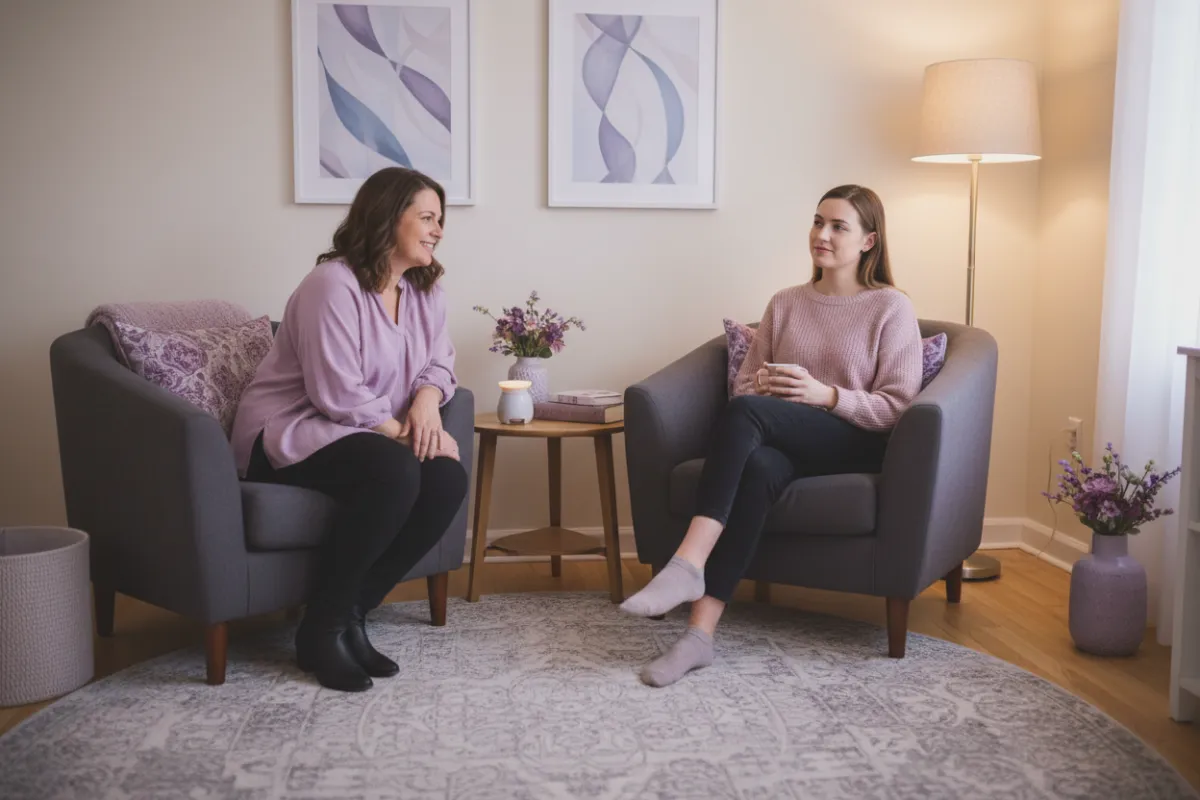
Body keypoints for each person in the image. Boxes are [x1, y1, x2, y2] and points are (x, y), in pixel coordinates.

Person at [620, 184, 923, 687]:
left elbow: (896, 407)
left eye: (838, 226)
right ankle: (699, 635)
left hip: (854, 438)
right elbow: (743, 387)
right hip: (784, 437)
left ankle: (688, 561)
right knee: (757, 463)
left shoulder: (891, 308)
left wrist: (824, 395)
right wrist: (764, 385)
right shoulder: (786, 303)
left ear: (869, 241)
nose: (821, 235)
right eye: (817, 221)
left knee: (747, 417)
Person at [231, 167, 468, 693]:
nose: (438, 229)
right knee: (397, 471)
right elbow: (336, 393)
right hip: (288, 430)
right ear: (389, 218)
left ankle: (353, 613)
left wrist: (427, 404)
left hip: (363, 432)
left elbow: (441, 364)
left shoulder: (425, 291)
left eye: (440, 219)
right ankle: (320, 630)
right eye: (427, 217)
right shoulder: (331, 284)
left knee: (448, 478)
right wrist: (407, 435)